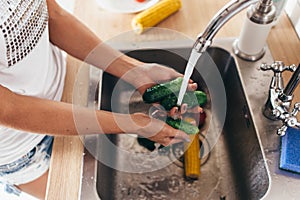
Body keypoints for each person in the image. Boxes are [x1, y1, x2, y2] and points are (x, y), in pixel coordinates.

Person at [0, 0, 197, 199]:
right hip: (22, 150)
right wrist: (132, 123)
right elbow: (10, 109)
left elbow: (53, 15)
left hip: (67, 87)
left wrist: (136, 72)